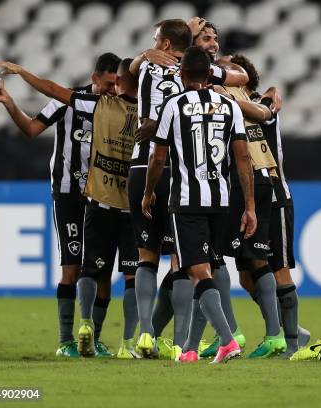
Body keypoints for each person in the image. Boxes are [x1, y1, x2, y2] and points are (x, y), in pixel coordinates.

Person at [0, 53, 138, 358]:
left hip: (103, 197)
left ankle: (92, 337)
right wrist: (9, 104)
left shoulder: (118, 106)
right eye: (108, 83)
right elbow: (31, 130)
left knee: (101, 271)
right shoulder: (68, 101)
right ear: (95, 78)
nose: (113, 89)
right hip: (69, 194)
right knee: (71, 265)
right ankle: (65, 340)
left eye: (117, 84)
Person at [127, 18, 250, 359]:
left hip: (147, 163)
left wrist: (146, 53)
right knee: (186, 262)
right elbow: (242, 78)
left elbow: (127, 75)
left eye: (156, 38)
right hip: (186, 172)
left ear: (164, 43)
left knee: (146, 257)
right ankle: (184, 342)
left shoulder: (149, 65)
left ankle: (147, 334)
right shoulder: (200, 70)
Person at [211, 54, 310, 358]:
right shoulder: (232, 102)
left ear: (242, 76)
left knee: (277, 269)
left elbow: (267, 110)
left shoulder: (263, 101)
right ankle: (287, 329)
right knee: (246, 274)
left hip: (274, 194)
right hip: (245, 191)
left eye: (226, 69)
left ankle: (290, 342)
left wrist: (225, 98)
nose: (220, 75)